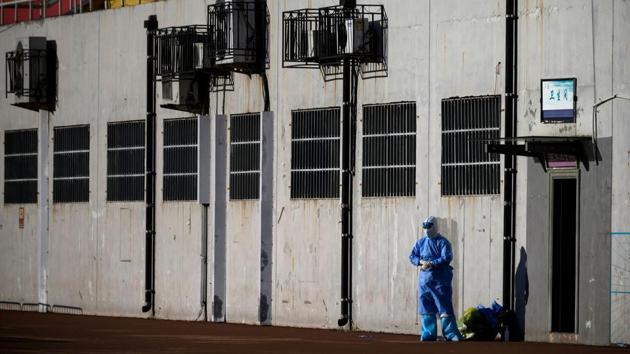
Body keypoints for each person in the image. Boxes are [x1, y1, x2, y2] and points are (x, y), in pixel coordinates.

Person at [409, 216, 462, 341]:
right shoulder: (420, 243)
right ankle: (428, 334)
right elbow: (412, 256)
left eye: (429, 226)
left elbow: (446, 257)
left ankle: (450, 334)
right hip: (424, 282)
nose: (427, 229)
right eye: (425, 227)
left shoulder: (443, 242)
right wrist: (420, 262)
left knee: (444, 308)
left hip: (440, 281)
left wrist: (432, 263)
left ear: (436, 226)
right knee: (426, 309)